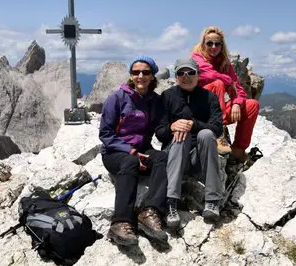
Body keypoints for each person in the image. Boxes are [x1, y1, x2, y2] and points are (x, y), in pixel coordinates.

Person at [99, 55, 168, 246]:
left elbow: (162, 126)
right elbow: (105, 134)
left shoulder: (155, 101)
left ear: (153, 76)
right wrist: (129, 150)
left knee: (161, 158)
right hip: (114, 152)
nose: (140, 76)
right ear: (130, 75)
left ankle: (149, 212)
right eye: (135, 72)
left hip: (142, 149)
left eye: (145, 72)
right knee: (129, 162)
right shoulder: (117, 98)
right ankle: (120, 222)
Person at [155, 58, 224, 226]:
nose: (186, 76)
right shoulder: (167, 97)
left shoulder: (209, 97)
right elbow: (159, 134)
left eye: (190, 72)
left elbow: (217, 129)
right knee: (181, 134)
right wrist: (172, 127)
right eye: (181, 73)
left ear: (198, 74)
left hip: (199, 158)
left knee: (207, 134)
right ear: (176, 76)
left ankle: (212, 201)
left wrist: (195, 125)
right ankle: (171, 202)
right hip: (174, 155)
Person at [191, 25, 260, 162]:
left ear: (222, 46)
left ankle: (238, 149)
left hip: (217, 111)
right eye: (209, 43)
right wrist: (227, 80)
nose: (213, 47)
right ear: (203, 44)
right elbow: (209, 75)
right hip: (199, 111)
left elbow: (239, 89)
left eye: (217, 43)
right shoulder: (196, 59)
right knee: (218, 84)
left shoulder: (225, 64)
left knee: (252, 105)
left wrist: (236, 103)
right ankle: (218, 135)